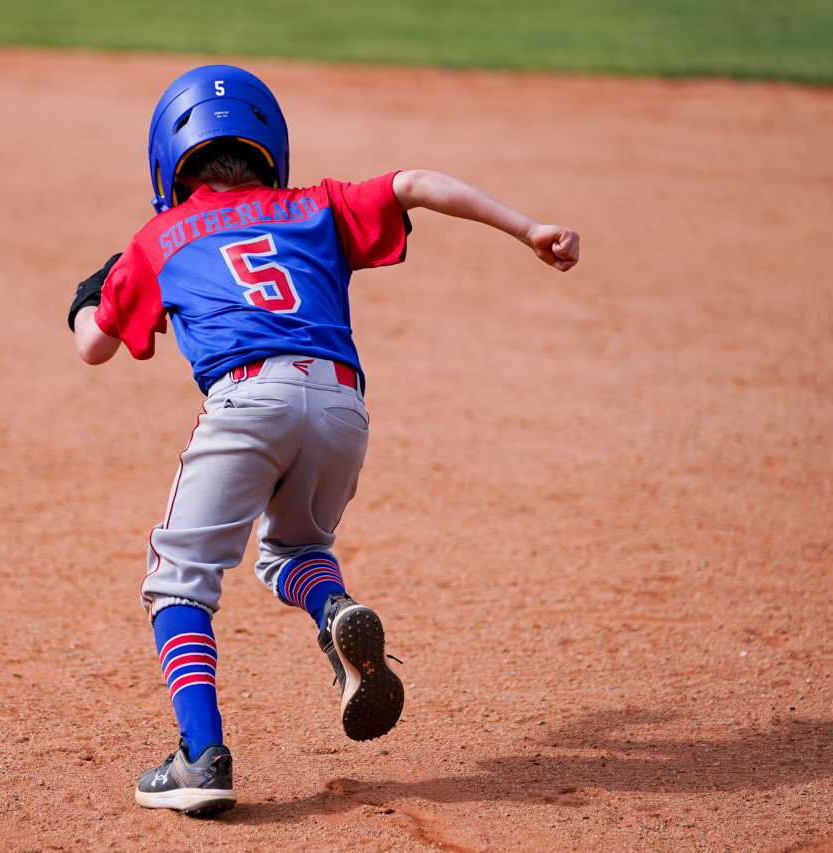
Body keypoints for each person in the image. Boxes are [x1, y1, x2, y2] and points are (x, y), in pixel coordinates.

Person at [68, 65, 579, 815]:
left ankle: (200, 758)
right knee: (294, 553)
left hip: (245, 399)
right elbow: (413, 181)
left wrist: (91, 290)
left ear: (168, 164)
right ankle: (332, 610)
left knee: (179, 580)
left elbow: (94, 345)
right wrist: (528, 228)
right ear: (270, 148)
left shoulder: (158, 237)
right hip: (341, 401)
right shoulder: (315, 205)